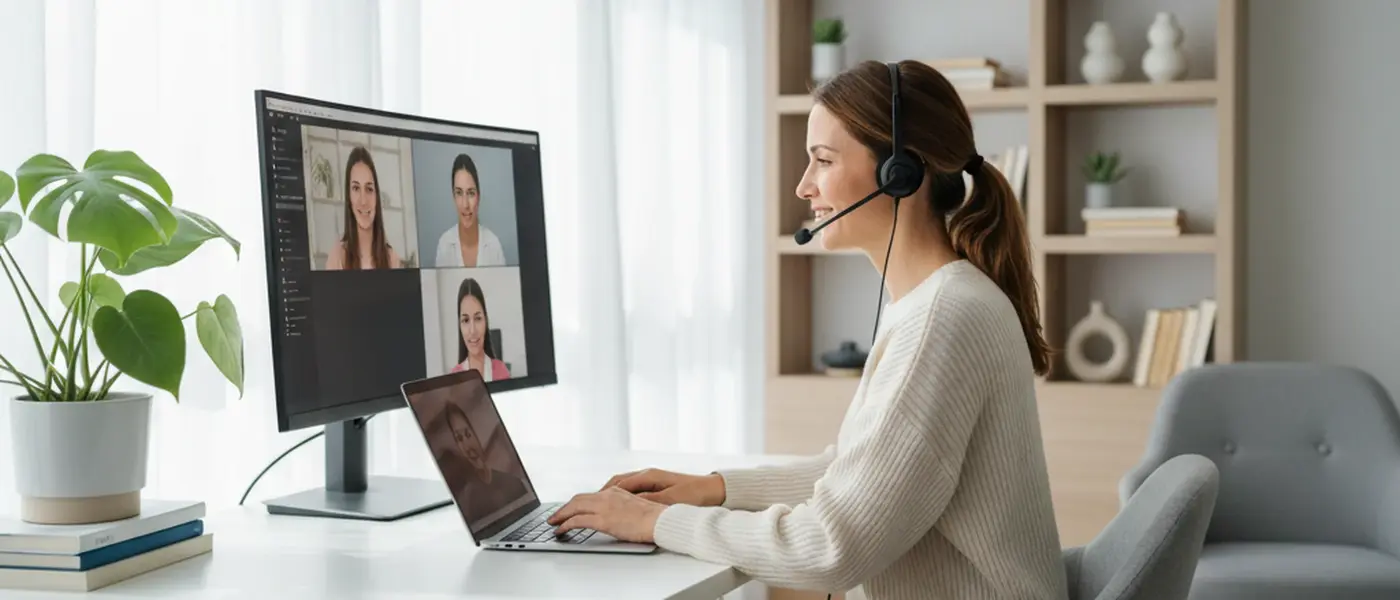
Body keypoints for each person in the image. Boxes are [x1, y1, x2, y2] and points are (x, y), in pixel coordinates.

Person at [546, 60, 1067, 600]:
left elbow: (829, 548)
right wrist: (714, 490)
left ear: (899, 173)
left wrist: (654, 523)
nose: (802, 186)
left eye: (822, 161)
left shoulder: (943, 318)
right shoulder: (938, 302)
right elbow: (861, 473)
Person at [442, 400, 530, 524]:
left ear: (476, 435)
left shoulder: (513, 482)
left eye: (468, 434)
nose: (467, 446)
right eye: (459, 438)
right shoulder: (469, 499)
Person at [326, 146, 403, 270]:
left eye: (369, 189)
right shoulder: (337, 257)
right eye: (356, 188)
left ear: (376, 196)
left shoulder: (392, 259)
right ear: (348, 196)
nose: (363, 201)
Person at [435, 153, 507, 268]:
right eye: (459, 193)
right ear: (453, 197)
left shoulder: (494, 245)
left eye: (471, 193)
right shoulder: (444, 245)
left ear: (478, 196)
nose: (465, 204)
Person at [449, 278, 511, 381]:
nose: (472, 331)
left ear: (485, 321)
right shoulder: (454, 379)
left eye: (478, 318)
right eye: (465, 320)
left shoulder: (501, 371)